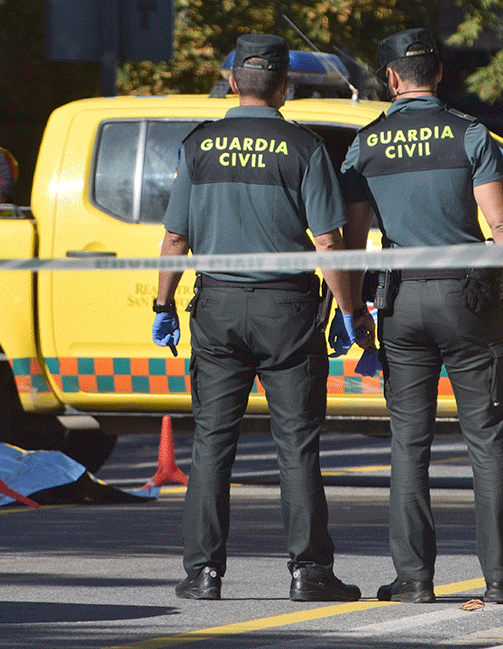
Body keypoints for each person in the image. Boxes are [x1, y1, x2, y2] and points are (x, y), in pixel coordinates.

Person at [153, 33, 371, 603]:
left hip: (217, 307)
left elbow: (175, 237)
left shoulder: (197, 146)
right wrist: (350, 311)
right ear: (284, 87)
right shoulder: (304, 148)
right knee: (296, 443)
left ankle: (203, 573)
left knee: (210, 445)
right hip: (287, 311)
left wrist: (163, 303)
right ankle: (309, 573)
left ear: (230, 82)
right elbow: (328, 241)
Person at [340, 28, 503, 605]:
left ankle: (413, 580)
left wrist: (353, 309)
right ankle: (501, 581)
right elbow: (502, 223)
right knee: (486, 443)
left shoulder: (366, 144)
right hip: (469, 304)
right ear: (439, 73)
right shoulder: (470, 134)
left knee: (408, 444)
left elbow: (355, 237)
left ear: (389, 79)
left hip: (401, 302)